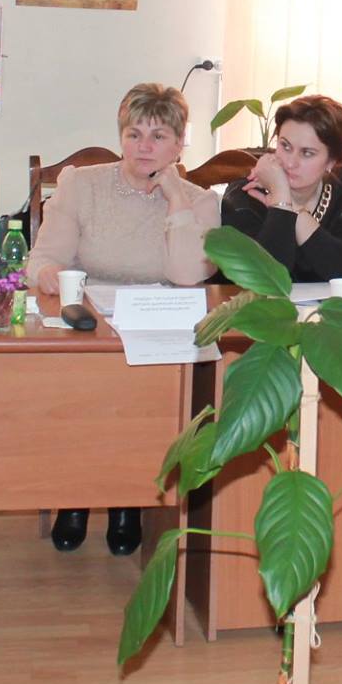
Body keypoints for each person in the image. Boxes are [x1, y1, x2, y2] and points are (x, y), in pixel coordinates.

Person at [26, 83, 222, 556]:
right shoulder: (82, 184)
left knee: (144, 399)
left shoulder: (201, 202)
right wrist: (50, 274)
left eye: (158, 136)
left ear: (179, 145)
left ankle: (127, 503)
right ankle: (75, 496)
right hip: (88, 325)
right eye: (134, 134)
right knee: (83, 394)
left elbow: (186, 274)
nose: (143, 147)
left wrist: (174, 199)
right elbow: (43, 259)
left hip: (157, 330)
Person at [221, 94, 342, 283]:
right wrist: (282, 202)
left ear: (331, 161)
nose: (291, 163)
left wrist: (290, 207)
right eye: (285, 146)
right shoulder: (245, 194)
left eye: (307, 153)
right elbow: (265, 281)